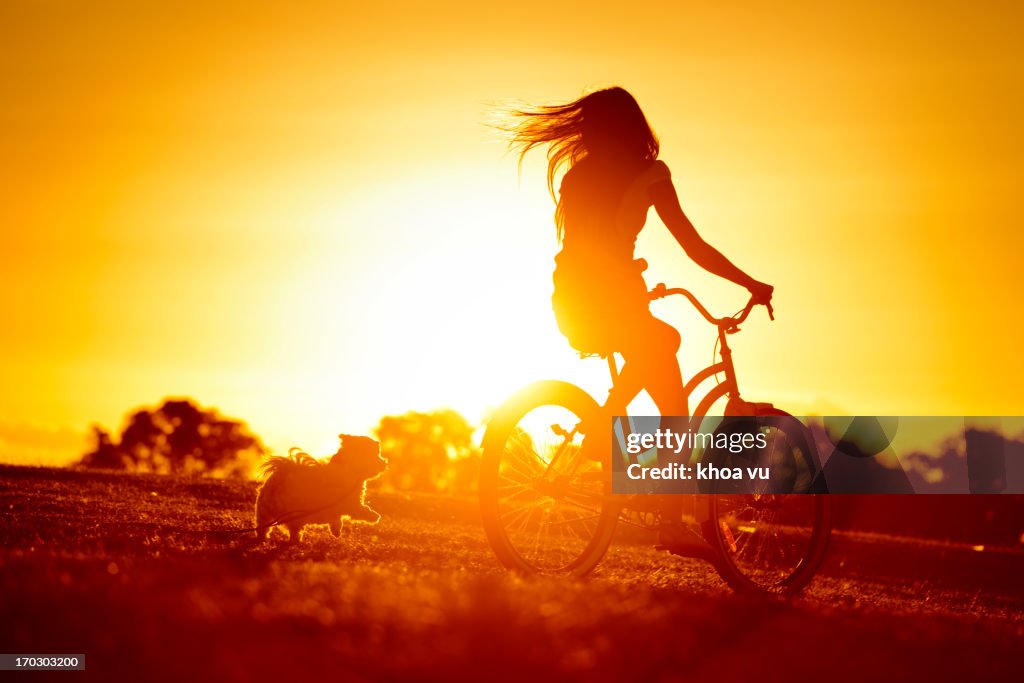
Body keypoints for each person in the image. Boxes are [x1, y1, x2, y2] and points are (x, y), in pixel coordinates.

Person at [504, 86, 774, 549]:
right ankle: (617, 436)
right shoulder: (650, 174)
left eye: (589, 125)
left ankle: (621, 448)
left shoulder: (577, 177)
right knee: (667, 361)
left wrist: (630, 275)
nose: (584, 133)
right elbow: (693, 246)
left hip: (571, 300)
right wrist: (749, 283)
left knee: (667, 379)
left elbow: (582, 247)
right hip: (611, 296)